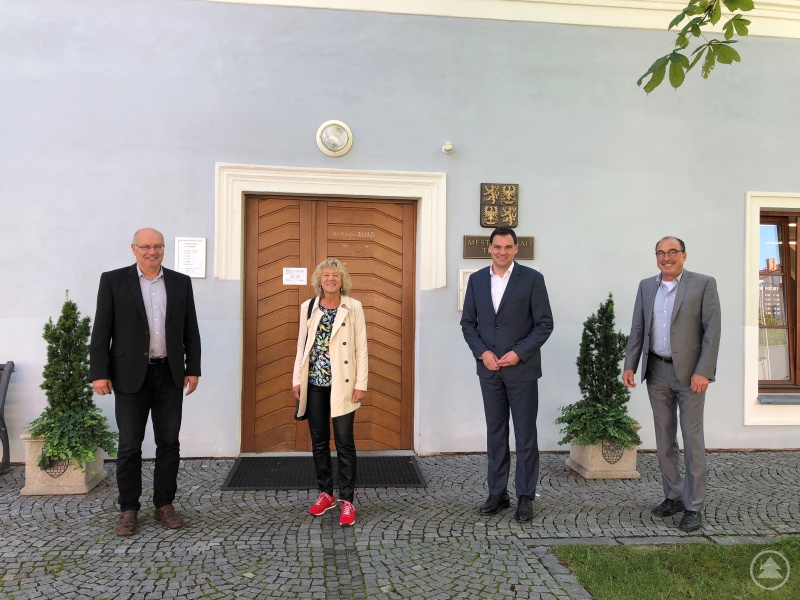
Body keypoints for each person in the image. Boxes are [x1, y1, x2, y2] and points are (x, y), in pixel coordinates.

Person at [90, 228, 201, 536]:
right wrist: (99, 372)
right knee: (128, 446)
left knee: (169, 443)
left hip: (169, 374)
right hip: (128, 375)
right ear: (134, 249)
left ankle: (164, 504)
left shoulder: (180, 282)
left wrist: (194, 368)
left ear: (164, 250)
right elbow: (101, 330)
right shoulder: (113, 281)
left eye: (158, 246)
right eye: (146, 247)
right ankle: (128, 509)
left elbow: (190, 329)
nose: (152, 251)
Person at [622, 236, 721, 532]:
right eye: (661, 253)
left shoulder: (703, 284)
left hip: (691, 375)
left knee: (692, 441)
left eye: (672, 252)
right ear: (656, 257)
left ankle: (693, 506)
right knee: (664, 440)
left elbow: (711, 331)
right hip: (656, 371)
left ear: (684, 255)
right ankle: (673, 496)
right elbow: (638, 328)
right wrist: (630, 364)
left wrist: (703, 371)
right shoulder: (646, 286)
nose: (666, 257)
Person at [460, 227, 554, 522]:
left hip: (521, 369)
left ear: (516, 249)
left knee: (526, 435)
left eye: (508, 247)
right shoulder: (476, 280)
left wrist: (519, 352)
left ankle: (525, 496)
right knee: (496, 433)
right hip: (489, 370)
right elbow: (468, 324)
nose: (502, 251)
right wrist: (483, 353)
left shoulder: (532, 279)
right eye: (497, 246)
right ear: (489, 248)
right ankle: (497, 493)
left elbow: (544, 324)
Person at [293, 258, 368, 527]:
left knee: (345, 442)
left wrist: (361, 384)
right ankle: (326, 493)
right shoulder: (309, 306)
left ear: (342, 279)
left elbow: (361, 348)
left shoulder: (353, 307)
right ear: (319, 280)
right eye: (326, 275)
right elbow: (302, 346)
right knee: (319, 440)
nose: (330, 279)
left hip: (344, 384)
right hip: (314, 383)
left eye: (335, 275)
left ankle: (347, 500)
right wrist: (296, 380)